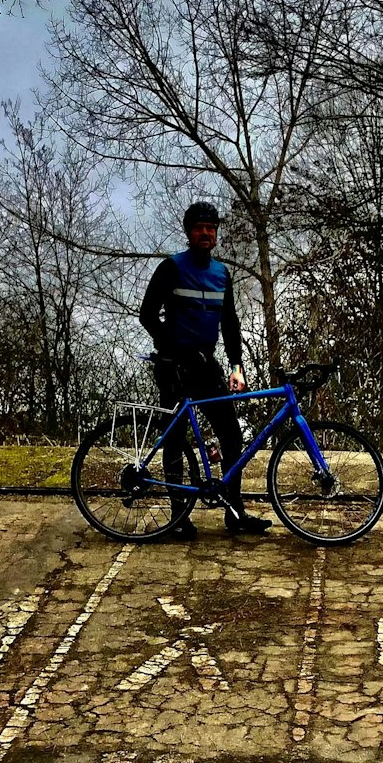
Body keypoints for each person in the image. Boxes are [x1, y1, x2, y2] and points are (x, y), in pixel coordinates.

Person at [138, 201, 269, 537]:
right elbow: (148, 315)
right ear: (189, 232)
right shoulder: (171, 267)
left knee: (231, 434)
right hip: (174, 366)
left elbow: (230, 323)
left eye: (211, 228)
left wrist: (236, 364)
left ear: (216, 233)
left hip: (207, 365)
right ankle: (178, 518)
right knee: (176, 439)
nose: (206, 233)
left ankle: (235, 512)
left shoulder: (221, 274)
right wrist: (172, 348)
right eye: (199, 228)